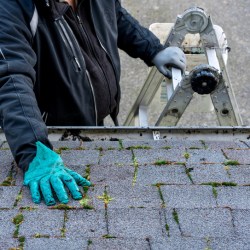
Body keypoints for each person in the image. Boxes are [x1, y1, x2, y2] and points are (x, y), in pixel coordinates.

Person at [0, 0, 186, 205]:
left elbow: (114, 16)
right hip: (49, 138)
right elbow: (11, 78)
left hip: (93, 126)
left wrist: (152, 49)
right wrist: (34, 150)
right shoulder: (11, 8)